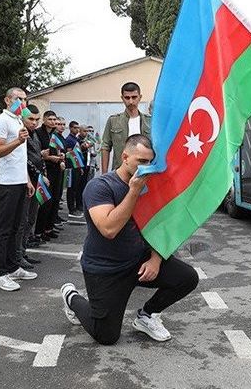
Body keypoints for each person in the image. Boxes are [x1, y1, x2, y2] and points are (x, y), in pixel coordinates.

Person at [60, 134, 198, 345]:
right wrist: (134, 190)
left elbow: (161, 226)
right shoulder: (100, 187)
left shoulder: (151, 185)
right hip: (106, 268)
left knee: (188, 277)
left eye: (150, 162)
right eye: (141, 161)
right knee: (106, 336)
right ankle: (71, 297)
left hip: (138, 261)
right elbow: (109, 229)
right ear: (125, 157)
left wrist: (156, 259)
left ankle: (147, 315)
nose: (146, 167)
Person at [0, 87, 37, 291]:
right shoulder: (2, 120)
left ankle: (12, 267)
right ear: (7, 100)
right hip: (7, 184)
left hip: (19, 182)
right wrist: (18, 140)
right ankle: (0, 274)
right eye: (18, 99)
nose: (22, 103)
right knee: (4, 229)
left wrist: (26, 179)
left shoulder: (18, 120)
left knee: (17, 227)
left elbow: (21, 158)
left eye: (25, 99)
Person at [100, 82, 151, 173]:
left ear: (140, 97)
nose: (131, 101)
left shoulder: (150, 121)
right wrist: (104, 174)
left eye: (134, 97)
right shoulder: (113, 121)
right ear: (122, 98)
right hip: (120, 173)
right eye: (127, 98)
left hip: (145, 172)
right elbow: (105, 147)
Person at [19, 104, 46, 266]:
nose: (34, 122)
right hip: (26, 180)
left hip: (37, 180)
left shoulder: (34, 134)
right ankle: (18, 255)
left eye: (37, 119)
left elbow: (38, 156)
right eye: (31, 119)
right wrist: (37, 174)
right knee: (24, 219)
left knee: (31, 219)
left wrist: (43, 174)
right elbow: (25, 160)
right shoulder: (21, 134)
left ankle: (23, 251)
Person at [34, 111, 64, 242]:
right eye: (50, 119)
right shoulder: (38, 133)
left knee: (55, 199)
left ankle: (48, 228)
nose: (53, 122)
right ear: (44, 120)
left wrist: (61, 158)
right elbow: (37, 153)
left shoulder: (54, 134)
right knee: (46, 201)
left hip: (56, 169)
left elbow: (58, 150)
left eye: (54, 119)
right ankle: (39, 231)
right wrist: (49, 157)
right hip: (45, 170)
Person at [64, 121, 84, 218]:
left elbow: (78, 154)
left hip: (76, 167)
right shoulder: (69, 140)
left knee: (75, 188)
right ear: (71, 128)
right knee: (71, 189)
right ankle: (71, 209)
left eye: (78, 127)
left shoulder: (75, 139)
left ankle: (75, 207)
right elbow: (70, 155)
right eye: (75, 127)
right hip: (70, 167)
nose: (77, 129)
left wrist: (79, 167)